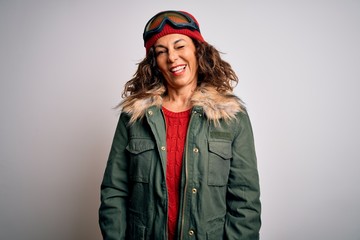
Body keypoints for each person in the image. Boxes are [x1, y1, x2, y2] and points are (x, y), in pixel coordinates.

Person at [99, 10, 261, 240]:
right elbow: (114, 192)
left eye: (179, 46)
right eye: (161, 51)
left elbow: (245, 202)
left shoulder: (231, 117)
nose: (172, 57)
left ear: (198, 50)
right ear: (155, 63)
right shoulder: (135, 117)